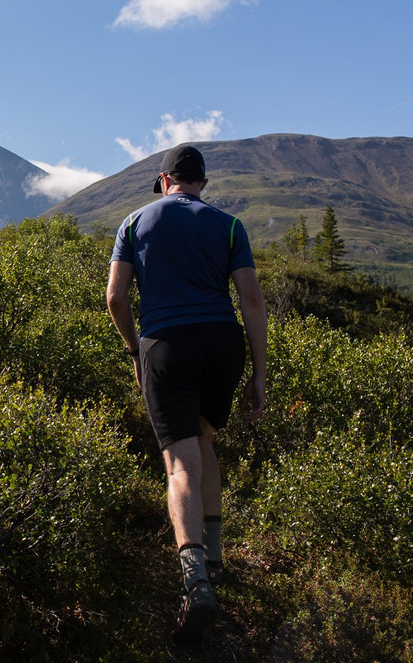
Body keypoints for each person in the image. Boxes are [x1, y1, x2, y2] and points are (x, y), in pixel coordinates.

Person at [105, 144, 267, 640]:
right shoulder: (230, 225)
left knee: (179, 463)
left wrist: (136, 351)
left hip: (166, 346)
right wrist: (260, 374)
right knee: (203, 442)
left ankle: (195, 582)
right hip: (223, 344)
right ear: (201, 182)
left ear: (164, 179)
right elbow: (252, 299)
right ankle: (215, 559)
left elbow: (115, 297)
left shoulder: (134, 223)